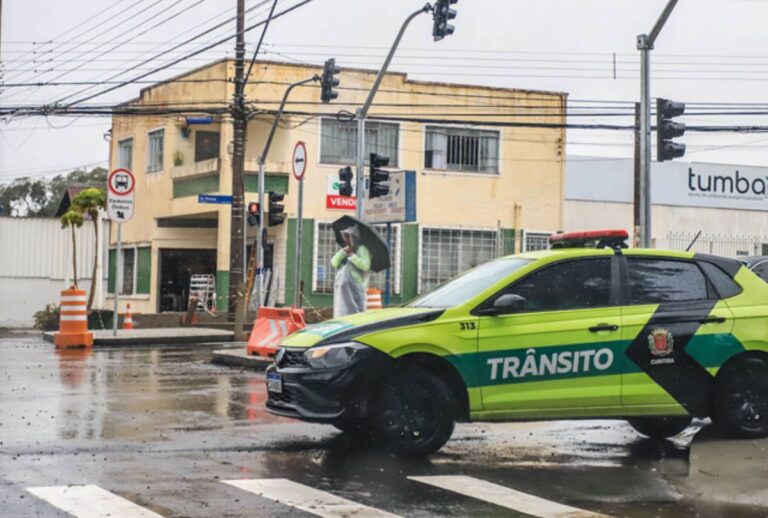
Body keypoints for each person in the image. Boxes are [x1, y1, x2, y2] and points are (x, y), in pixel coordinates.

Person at [331, 225, 371, 317]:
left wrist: (352, 256)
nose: (345, 239)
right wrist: (343, 253)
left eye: (347, 236)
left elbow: (365, 266)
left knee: (357, 313)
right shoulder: (346, 249)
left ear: (354, 236)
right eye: (344, 236)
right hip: (342, 288)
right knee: (342, 313)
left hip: (355, 288)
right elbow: (334, 263)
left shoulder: (362, 249)